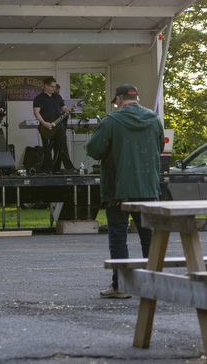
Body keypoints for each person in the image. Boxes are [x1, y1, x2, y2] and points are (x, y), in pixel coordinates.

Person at [86, 84, 164, 299]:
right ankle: (153, 286)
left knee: (119, 237)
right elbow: (160, 147)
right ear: (136, 99)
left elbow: (94, 150)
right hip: (147, 188)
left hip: (118, 189)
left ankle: (120, 286)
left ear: (118, 100)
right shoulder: (154, 119)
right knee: (148, 237)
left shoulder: (111, 120)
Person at [33, 77, 76, 173]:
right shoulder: (39, 98)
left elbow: (63, 108)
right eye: (52, 86)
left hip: (59, 125)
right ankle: (48, 168)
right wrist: (44, 123)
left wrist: (70, 110)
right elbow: (36, 112)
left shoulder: (57, 97)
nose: (54, 88)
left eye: (55, 86)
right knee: (47, 149)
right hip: (46, 127)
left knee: (63, 146)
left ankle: (68, 167)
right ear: (46, 86)